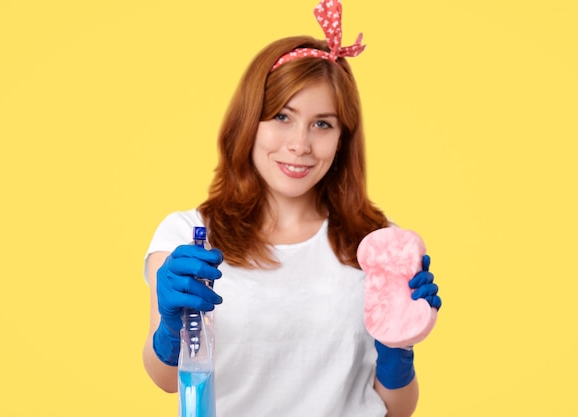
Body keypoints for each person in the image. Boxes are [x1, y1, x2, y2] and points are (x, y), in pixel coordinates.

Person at [142, 1, 442, 416]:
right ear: (249, 121)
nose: (300, 143)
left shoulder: (377, 243)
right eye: (282, 116)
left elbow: (398, 408)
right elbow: (164, 379)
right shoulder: (189, 237)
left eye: (323, 123)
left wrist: (399, 347)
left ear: (342, 140)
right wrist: (171, 330)